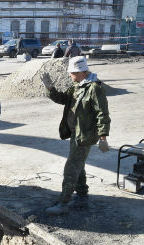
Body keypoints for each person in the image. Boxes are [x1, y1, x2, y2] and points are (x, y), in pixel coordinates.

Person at [39, 56, 111, 215]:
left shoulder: (94, 88)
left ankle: (63, 203)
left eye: (71, 73)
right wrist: (50, 89)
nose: (70, 75)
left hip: (84, 135)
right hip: (75, 133)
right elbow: (64, 99)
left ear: (80, 72)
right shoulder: (77, 86)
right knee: (79, 165)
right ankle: (82, 196)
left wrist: (103, 137)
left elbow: (102, 114)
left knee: (71, 168)